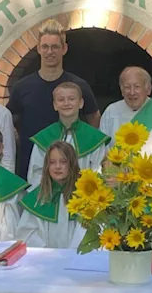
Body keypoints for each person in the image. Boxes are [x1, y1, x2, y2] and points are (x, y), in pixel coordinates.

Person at [6, 19, 100, 179]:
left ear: (64, 49)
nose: (50, 52)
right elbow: (9, 120)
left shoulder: (78, 86)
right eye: (45, 47)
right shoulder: (22, 87)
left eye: (55, 47)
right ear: (38, 49)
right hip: (32, 166)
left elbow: (94, 116)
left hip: (69, 168)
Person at [26, 82, 108, 185]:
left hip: (83, 196)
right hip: (50, 197)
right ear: (55, 105)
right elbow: (35, 173)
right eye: (61, 100)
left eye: (71, 99)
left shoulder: (94, 138)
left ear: (81, 103)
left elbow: (98, 172)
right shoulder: (44, 137)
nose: (66, 103)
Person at [14, 141, 82, 249]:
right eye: (52, 162)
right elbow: (26, 233)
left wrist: (73, 253)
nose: (57, 167)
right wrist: (47, 253)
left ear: (72, 164)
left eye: (63, 162)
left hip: (78, 258)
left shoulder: (84, 196)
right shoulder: (37, 197)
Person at [100, 66, 152, 159]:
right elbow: (102, 149)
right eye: (127, 87)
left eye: (137, 87)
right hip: (118, 173)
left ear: (148, 89)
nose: (132, 92)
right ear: (121, 90)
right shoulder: (111, 112)